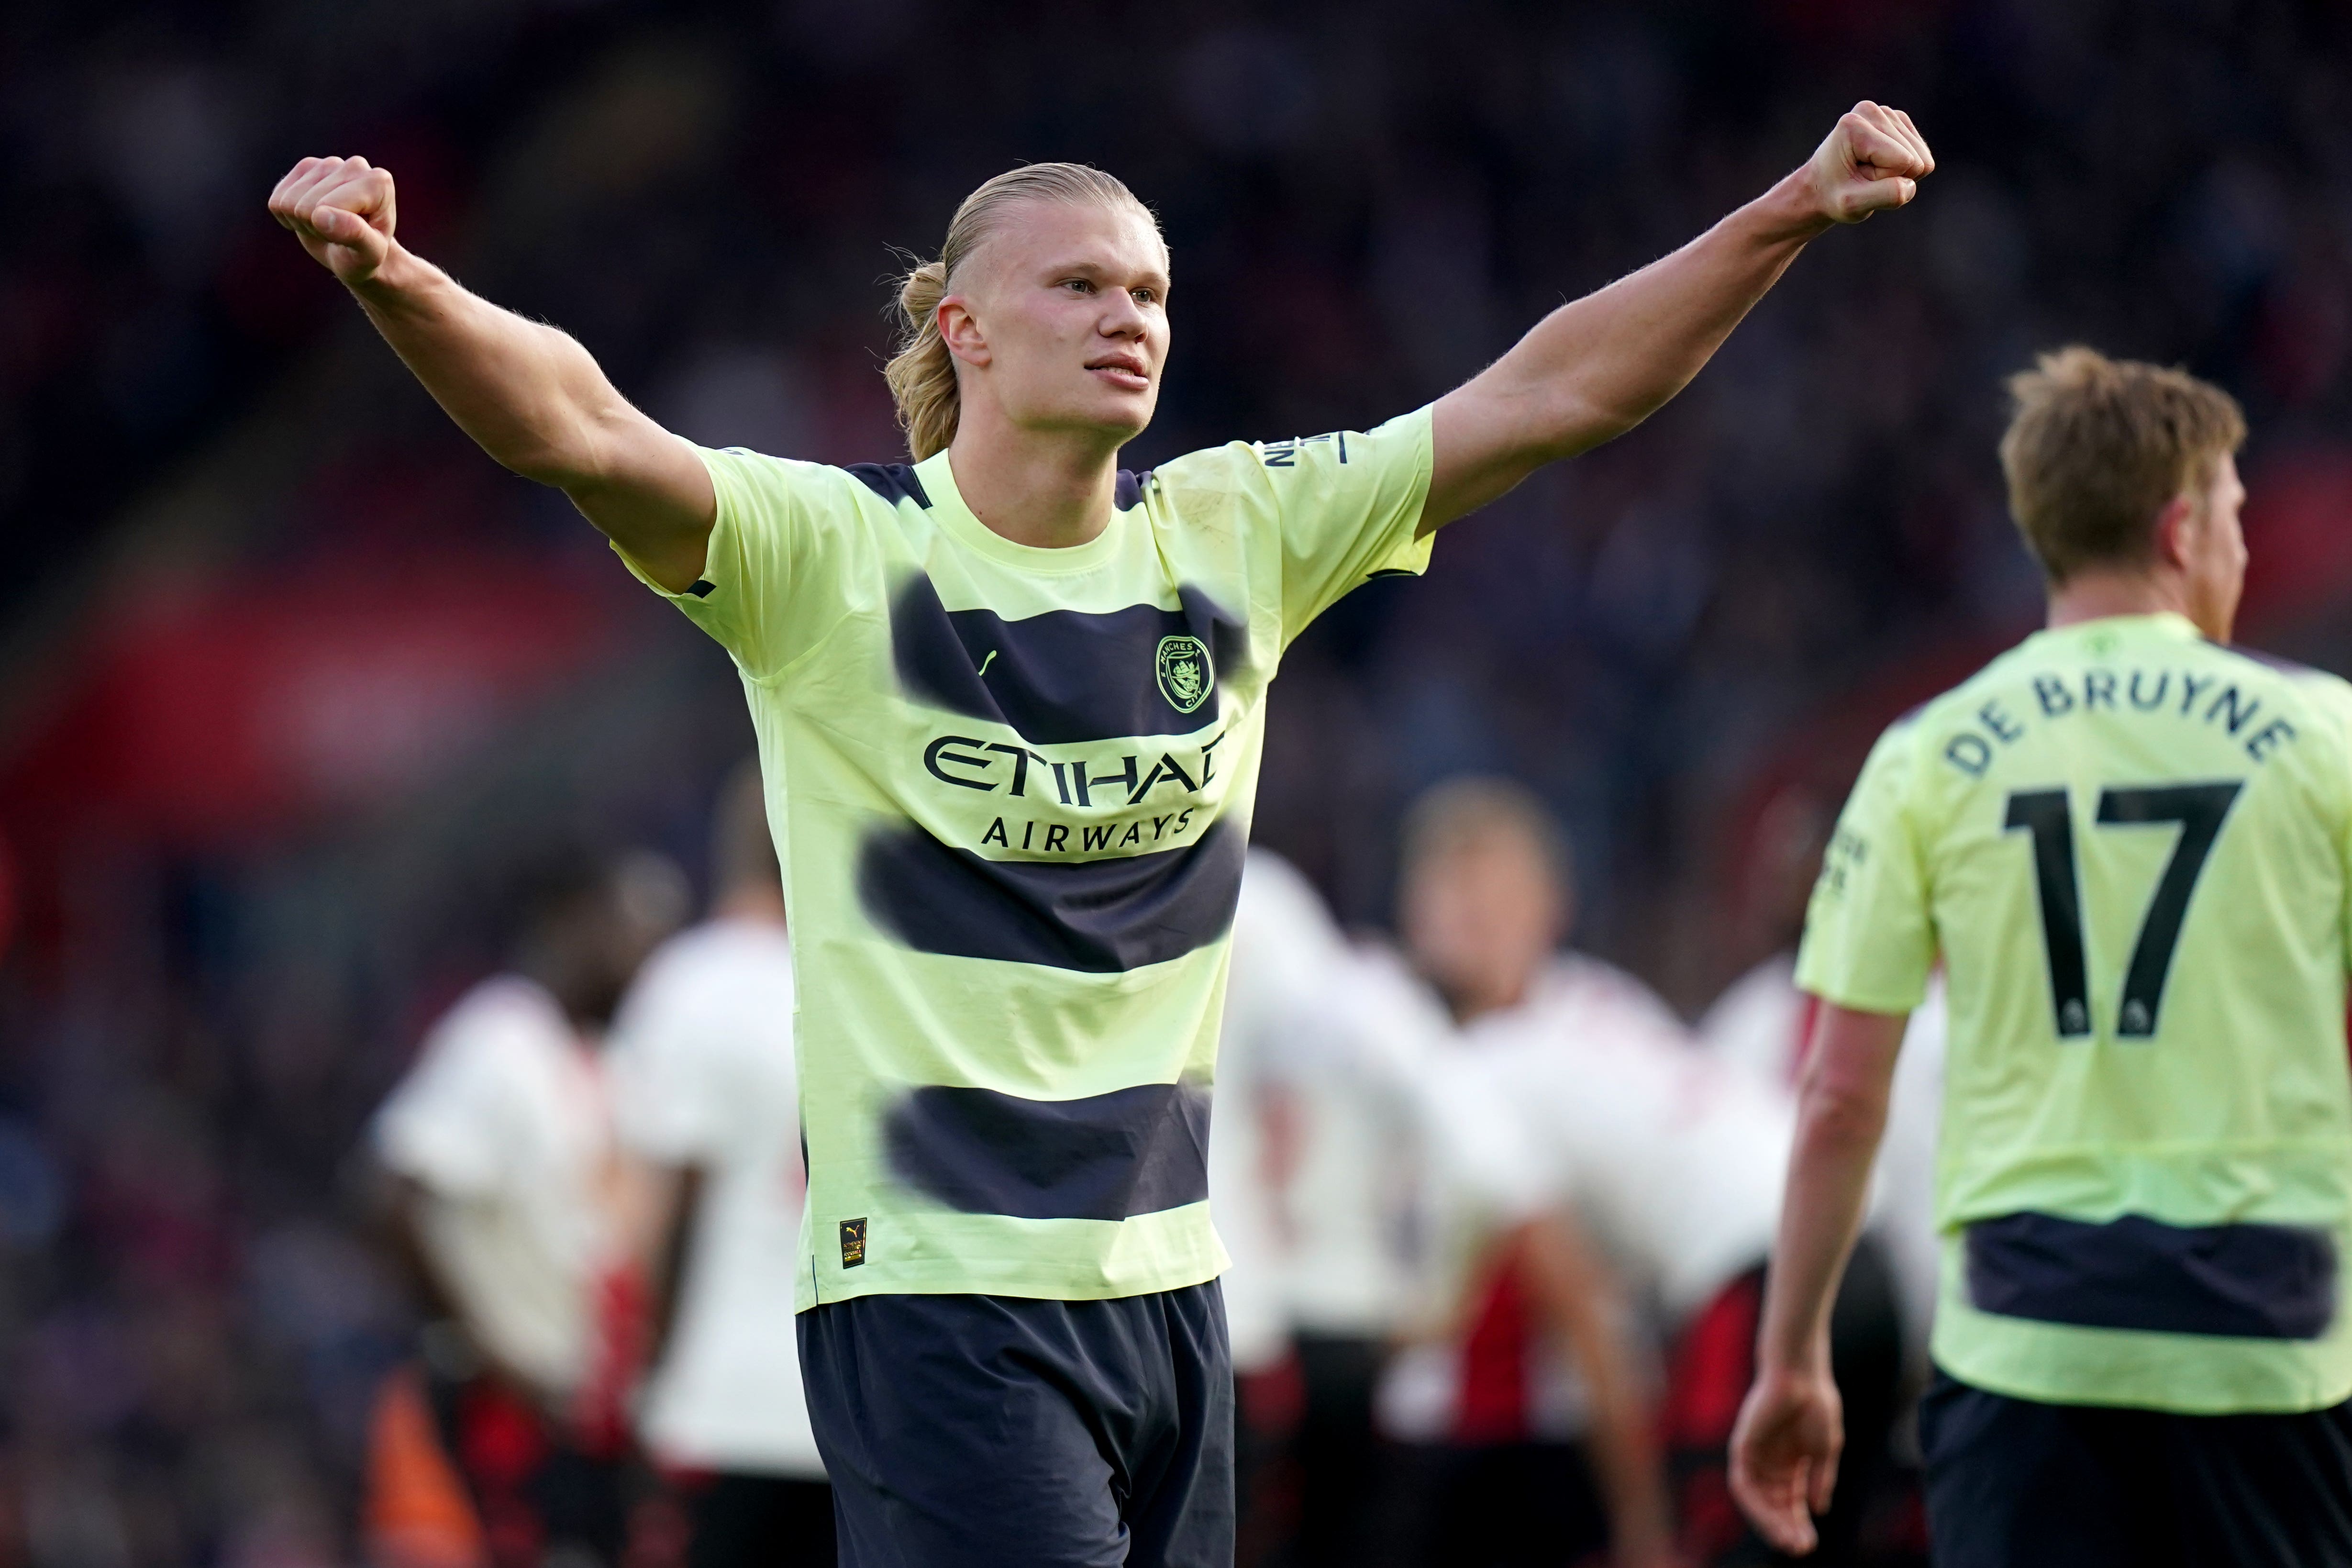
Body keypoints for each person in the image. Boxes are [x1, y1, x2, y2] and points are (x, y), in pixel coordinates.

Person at [268, 101, 1933, 1568]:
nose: (1125, 315)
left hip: (1170, 1291)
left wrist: (1782, 209)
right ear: (960, 325)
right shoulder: (828, 557)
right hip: (937, 1290)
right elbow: (577, 423)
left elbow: (1556, 387)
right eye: (1077, 284)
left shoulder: (1239, 532)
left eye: (1146, 289)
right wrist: (395, 279)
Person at [1729, 347, 2352, 1567]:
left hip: (2028, 1343)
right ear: (2178, 527)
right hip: (2267, 1344)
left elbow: (1841, 1097)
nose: (2238, 542)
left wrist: (1792, 1355)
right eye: (2231, 511)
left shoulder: (1925, 755)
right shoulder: (2322, 735)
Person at [1384, 778, 1903, 1567]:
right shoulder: (1597, 995)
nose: (1468, 914)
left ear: (1547, 904)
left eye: (1486, 891)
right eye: (1450, 888)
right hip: (1866, 1257)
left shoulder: (1483, 1066)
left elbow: (1584, 1304)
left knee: (1721, 1539)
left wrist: (1641, 1524)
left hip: (1761, 1283)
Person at [365, 844, 684, 1568]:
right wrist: (489, 1347)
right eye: (632, 925)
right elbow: (392, 1195)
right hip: (513, 1405)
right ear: (571, 922)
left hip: (589, 1409)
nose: (648, 952)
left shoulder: (603, 1056)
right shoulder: (501, 1035)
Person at [605, 763, 832, 1568]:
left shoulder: (694, 986)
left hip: (721, 1406)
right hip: (861, 1414)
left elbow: (648, 1221)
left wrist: (637, 1379)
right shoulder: (870, 986)